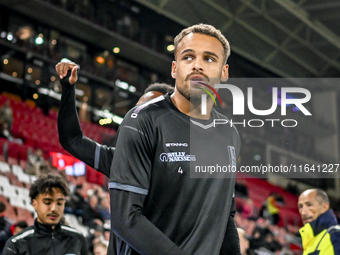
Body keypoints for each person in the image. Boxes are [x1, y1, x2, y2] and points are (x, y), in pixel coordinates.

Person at [56, 23, 241, 254]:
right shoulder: (133, 137)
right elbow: (72, 140)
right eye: (189, 57)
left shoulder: (228, 134)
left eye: (209, 59)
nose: (197, 65)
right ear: (175, 68)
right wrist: (67, 91)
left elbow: (225, 216)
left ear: (224, 72)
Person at [3, 173, 88, 255]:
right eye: (47, 202)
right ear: (34, 204)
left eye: (59, 203)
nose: (54, 208)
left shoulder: (78, 239)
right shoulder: (16, 245)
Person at [298, 188, 340, 255]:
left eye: (309, 205)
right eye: (300, 206)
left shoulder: (335, 234)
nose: (303, 212)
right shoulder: (311, 240)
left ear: (324, 207)